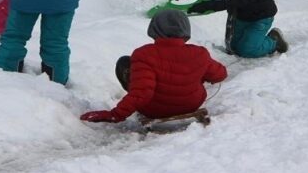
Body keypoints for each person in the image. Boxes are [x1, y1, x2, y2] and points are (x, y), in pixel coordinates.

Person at [79, 9, 227, 123]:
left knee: (125, 63)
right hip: (191, 105)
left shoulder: (144, 54)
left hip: (155, 110)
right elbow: (220, 75)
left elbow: (141, 93)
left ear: (154, 29)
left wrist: (114, 115)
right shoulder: (199, 53)